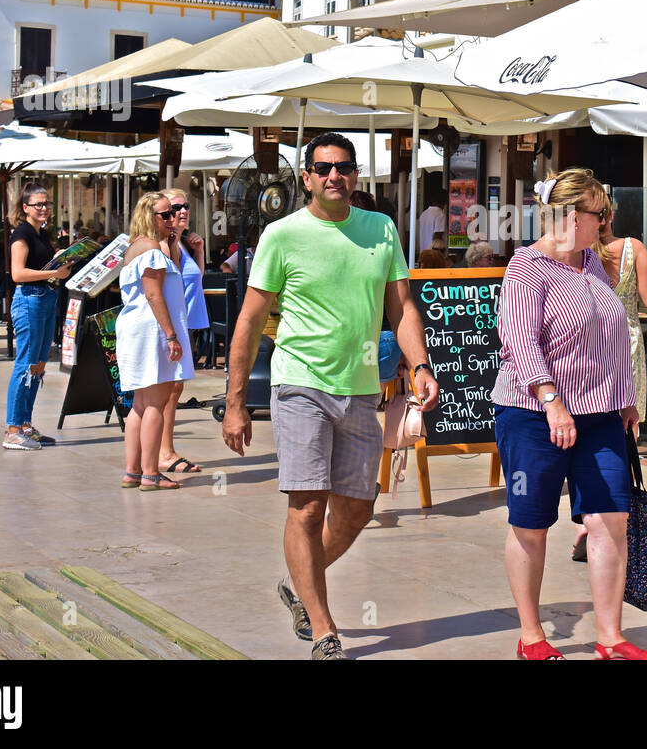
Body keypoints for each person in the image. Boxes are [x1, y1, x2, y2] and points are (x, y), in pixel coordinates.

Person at [222, 132, 438, 660]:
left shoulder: (381, 230)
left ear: (355, 175)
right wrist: (233, 402)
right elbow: (249, 320)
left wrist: (420, 364)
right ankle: (323, 628)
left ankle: (301, 582)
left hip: (362, 389)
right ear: (306, 178)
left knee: (358, 509)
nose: (333, 176)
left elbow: (402, 307)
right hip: (300, 384)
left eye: (342, 167)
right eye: (322, 169)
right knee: (307, 504)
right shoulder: (282, 235)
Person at [493, 169, 647, 660]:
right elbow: (521, 343)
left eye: (604, 213)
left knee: (611, 520)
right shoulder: (526, 268)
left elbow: (612, 335)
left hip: (600, 415)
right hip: (532, 413)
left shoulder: (594, 263)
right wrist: (552, 401)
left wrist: (624, 396)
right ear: (568, 215)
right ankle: (532, 636)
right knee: (532, 522)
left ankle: (610, 636)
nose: (605, 222)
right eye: (598, 213)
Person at [566, 197, 647, 560]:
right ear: (611, 215)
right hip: (624, 345)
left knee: (587, 433)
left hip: (584, 347)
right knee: (621, 435)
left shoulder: (574, 253)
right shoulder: (631, 249)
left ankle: (584, 522)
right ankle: (598, 524)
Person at [116, 193, 194, 492]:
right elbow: (154, 294)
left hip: (137, 329)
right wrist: (171, 335)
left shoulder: (138, 246)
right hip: (151, 331)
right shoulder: (150, 249)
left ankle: (133, 471)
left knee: (140, 403)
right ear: (150, 217)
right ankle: (150, 473)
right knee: (155, 404)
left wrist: (173, 241)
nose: (172, 218)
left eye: (173, 212)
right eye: (165, 214)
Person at [3, 183, 71, 451]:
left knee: (38, 366)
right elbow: (18, 274)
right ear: (25, 208)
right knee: (26, 364)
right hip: (29, 299)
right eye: (38, 204)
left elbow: (39, 264)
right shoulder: (22, 234)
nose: (43, 208)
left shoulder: (40, 233)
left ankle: (25, 425)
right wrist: (53, 273)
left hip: (44, 299)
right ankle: (12, 429)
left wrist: (58, 259)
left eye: (46, 203)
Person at [158, 187, 208, 475]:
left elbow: (195, 278)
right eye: (176, 207)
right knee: (169, 390)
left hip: (185, 321)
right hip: (174, 325)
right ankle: (164, 451)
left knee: (175, 389)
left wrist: (199, 250)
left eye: (186, 205)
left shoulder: (180, 244)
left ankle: (164, 449)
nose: (183, 211)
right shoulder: (164, 244)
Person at [418, 188, 447, 253]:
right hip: (433, 254)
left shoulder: (424, 213)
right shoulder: (440, 214)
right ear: (444, 201)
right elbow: (437, 237)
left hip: (423, 253)